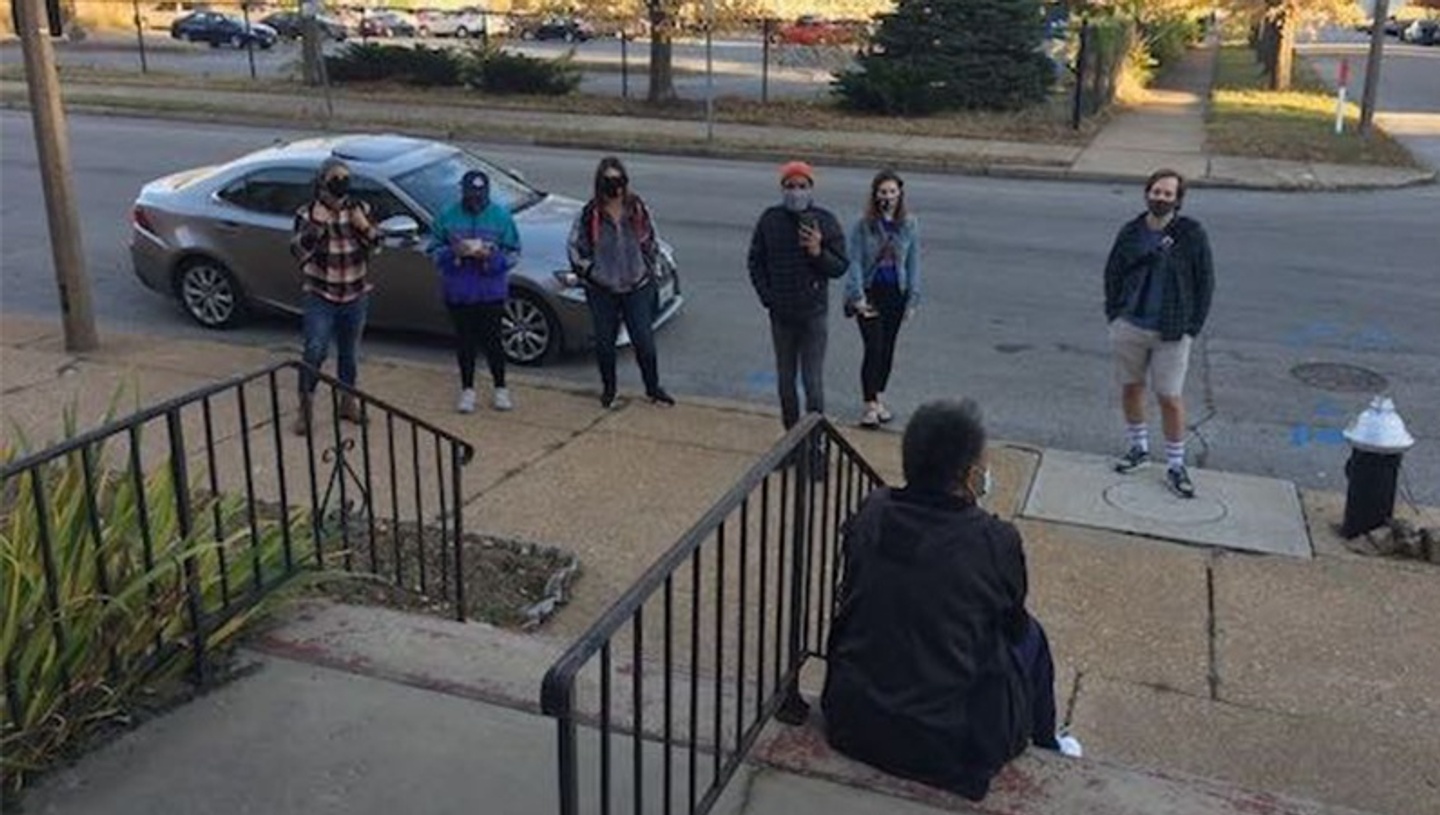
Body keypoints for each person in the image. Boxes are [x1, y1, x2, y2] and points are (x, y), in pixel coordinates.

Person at [821, 398, 1081, 802]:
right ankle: (1047, 742)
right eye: (983, 463)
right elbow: (1012, 624)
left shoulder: (873, 511)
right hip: (948, 747)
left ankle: (1045, 738)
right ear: (969, 474)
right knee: (1032, 637)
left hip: (853, 719)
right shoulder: (993, 540)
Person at [1103, 169, 1215, 499]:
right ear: (1147, 193)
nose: (1160, 198)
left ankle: (1176, 464)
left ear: (1178, 199)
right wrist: (1114, 313)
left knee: (1169, 396)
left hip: (1172, 330)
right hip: (1130, 325)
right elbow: (1113, 272)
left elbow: (1205, 283)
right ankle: (1138, 447)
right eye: (1156, 191)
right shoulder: (1131, 231)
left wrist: (1192, 327)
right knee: (1131, 387)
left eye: (1168, 194)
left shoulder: (1191, 234)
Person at [747, 160, 849, 430]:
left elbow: (840, 266)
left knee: (813, 382)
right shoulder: (770, 220)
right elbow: (755, 261)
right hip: (781, 316)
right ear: (782, 189)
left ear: (811, 188)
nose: (796, 192)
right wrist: (768, 297)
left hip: (813, 315)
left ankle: (815, 440)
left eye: (802, 186)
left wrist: (817, 252)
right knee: (785, 381)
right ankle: (790, 437)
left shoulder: (825, 221)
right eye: (790, 186)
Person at [567, 156, 674, 409]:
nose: (615, 187)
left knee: (644, 343)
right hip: (602, 291)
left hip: (636, 286)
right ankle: (609, 389)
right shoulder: (589, 214)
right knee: (605, 345)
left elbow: (651, 240)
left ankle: (653, 388)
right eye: (609, 181)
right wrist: (592, 272)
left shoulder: (637, 209)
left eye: (619, 180)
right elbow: (575, 249)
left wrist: (649, 270)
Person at [289, 157, 381, 435]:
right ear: (323, 183)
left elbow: (376, 247)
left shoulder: (359, 209)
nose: (342, 185)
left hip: (354, 293)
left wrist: (364, 226)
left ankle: (347, 402)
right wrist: (317, 226)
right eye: (335, 180)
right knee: (315, 350)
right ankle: (305, 409)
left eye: (346, 179)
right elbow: (298, 252)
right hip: (321, 294)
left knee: (349, 354)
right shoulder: (307, 214)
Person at [427, 169, 521, 413]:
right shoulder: (447, 216)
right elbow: (433, 251)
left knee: (493, 342)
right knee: (465, 342)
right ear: (463, 192)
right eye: (471, 195)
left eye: (480, 195)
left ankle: (501, 388)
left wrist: (492, 257)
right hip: (459, 291)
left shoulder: (501, 217)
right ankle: (467, 389)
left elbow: (513, 252)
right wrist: (453, 254)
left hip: (491, 291)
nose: (475, 200)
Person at [844, 169, 921, 429]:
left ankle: (880, 398)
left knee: (887, 349)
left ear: (900, 194)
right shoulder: (863, 225)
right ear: (875, 195)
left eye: (892, 192)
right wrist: (858, 296)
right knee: (873, 347)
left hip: (895, 294)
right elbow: (853, 261)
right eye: (882, 192)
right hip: (870, 291)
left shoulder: (909, 224)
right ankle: (869, 404)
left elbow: (914, 263)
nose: (887, 197)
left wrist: (912, 299)